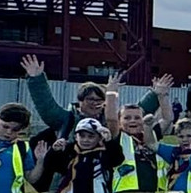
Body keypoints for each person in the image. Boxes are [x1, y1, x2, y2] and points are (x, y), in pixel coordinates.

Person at [18, 54, 151, 141]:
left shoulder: (111, 121)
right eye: (90, 99)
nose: (95, 103)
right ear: (80, 101)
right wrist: (36, 79)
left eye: (99, 100)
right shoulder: (66, 119)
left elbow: (137, 112)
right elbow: (46, 105)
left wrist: (156, 95)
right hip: (70, 178)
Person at [33, 116, 118, 193]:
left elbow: (117, 159)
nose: (86, 140)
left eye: (91, 136)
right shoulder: (69, 153)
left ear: (99, 138)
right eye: (82, 136)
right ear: (75, 137)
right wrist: (54, 151)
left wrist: (109, 142)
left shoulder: (103, 153)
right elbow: (53, 166)